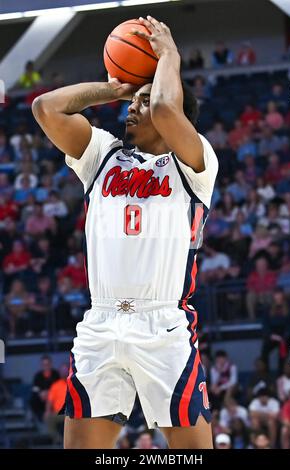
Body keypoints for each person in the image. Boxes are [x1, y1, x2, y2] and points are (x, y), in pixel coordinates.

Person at [32, 16, 218, 449]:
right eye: (134, 102)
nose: (133, 107)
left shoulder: (196, 163)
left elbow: (169, 111)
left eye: (144, 100)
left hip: (163, 326)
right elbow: (46, 108)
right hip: (101, 323)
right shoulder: (102, 155)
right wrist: (115, 86)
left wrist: (168, 54)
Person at [30, 355, 60, 421]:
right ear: (41, 365)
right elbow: (35, 388)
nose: (46, 366)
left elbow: (59, 386)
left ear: (51, 364)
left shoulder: (56, 374)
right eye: (44, 364)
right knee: (33, 399)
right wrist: (40, 393)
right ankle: (40, 418)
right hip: (41, 398)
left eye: (47, 364)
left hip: (54, 397)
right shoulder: (38, 376)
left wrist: (49, 393)